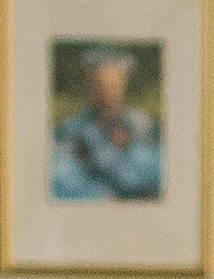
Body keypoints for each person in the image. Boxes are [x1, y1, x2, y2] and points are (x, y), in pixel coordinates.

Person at [50, 48, 163, 201]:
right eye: (100, 86)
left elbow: (158, 170)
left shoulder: (142, 124)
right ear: (89, 89)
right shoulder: (72, 128)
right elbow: (60, 174)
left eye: (113, 86)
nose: (107, 92)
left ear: (123, 87)